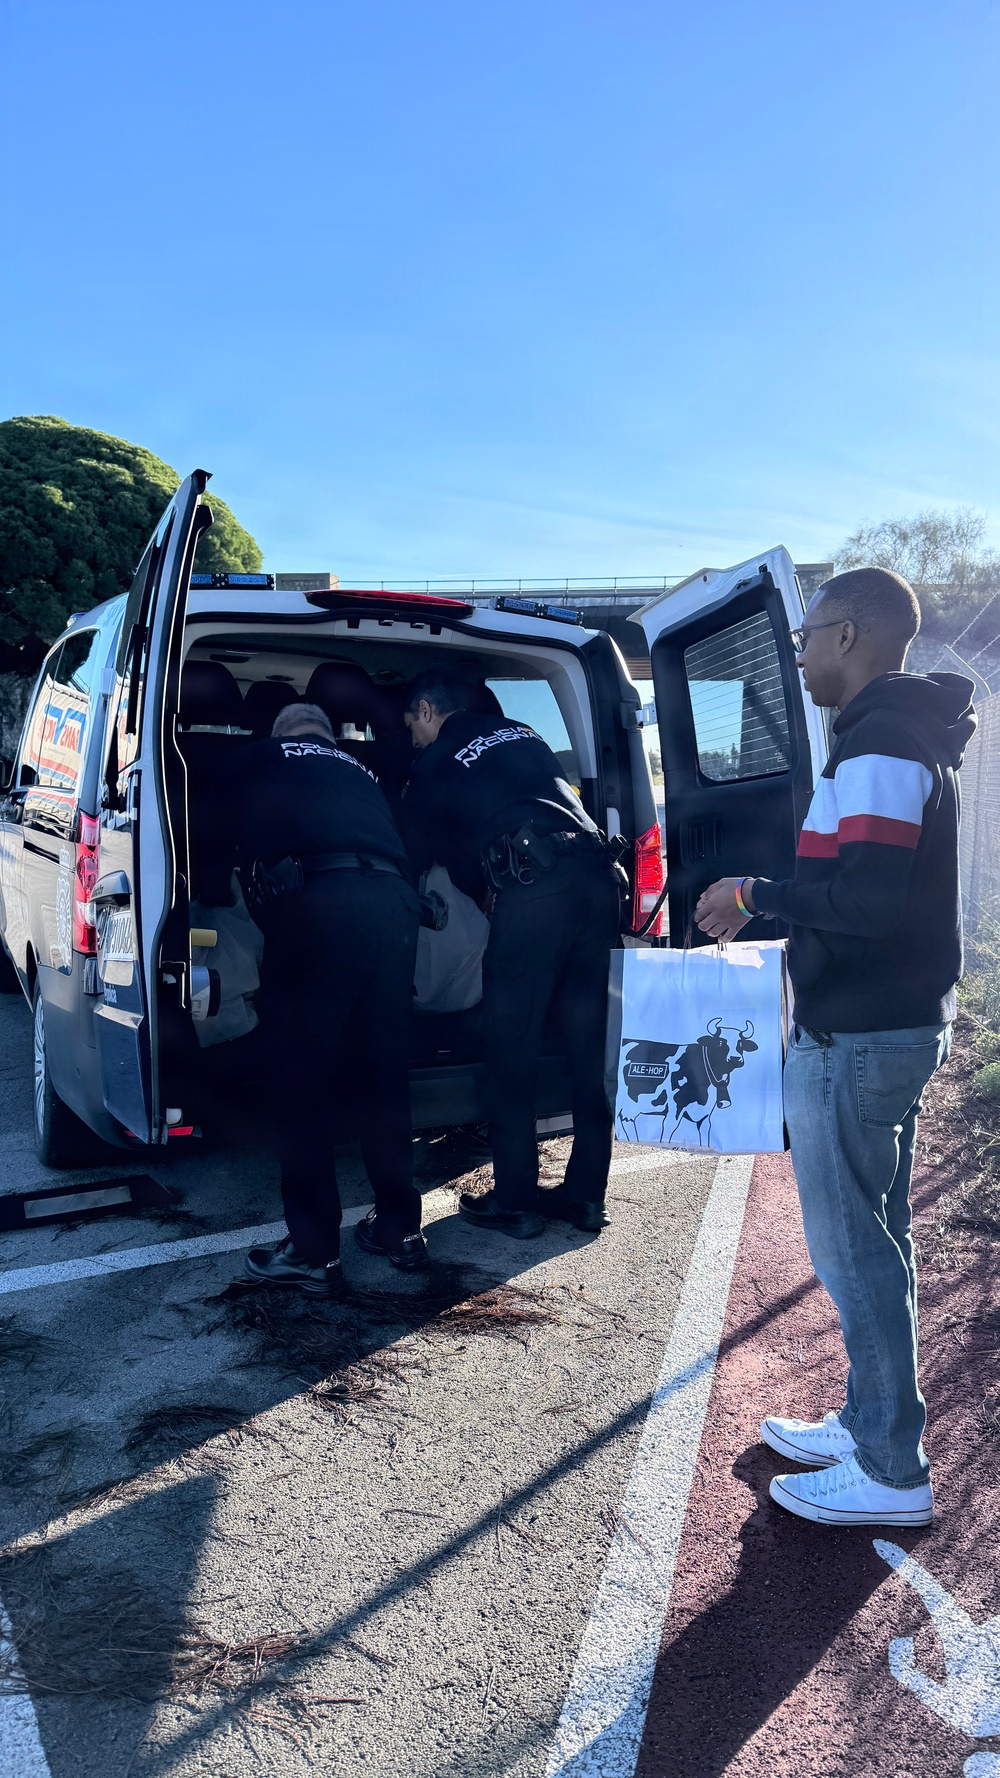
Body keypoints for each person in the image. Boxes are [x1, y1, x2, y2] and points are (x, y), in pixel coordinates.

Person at [695, 568, 976, 1527]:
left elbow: (866, 901)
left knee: (855, 1250)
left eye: (806, 635)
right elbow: (864, 890)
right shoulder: (885, 737)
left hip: (860, 1032)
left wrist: (753, 895)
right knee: (876, 1239)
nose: (800, 653)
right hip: (878, 1024)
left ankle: (892, 1471)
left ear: (849, 635)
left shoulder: (882, 743)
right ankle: (869, 1423)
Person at [401, 671, 622, 1238]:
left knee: (511, 1044)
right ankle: (586, 1197)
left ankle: (516, 1202)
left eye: (411, 726)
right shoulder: (523, 732)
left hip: (535, 889)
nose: (413, 739)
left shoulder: (436, 759)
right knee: (588, 1045)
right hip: (599, 879)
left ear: (426, 710)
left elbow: (416, 848)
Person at [226, 702, 426, 1295]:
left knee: (301, 1084)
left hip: (321, 909)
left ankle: (313, 1253)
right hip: (394, 909)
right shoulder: (363, 769)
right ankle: (400, 1230)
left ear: (280, 732)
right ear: (331, 736)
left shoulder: (264, 755)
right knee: (384, 1080)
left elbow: (211, 826)